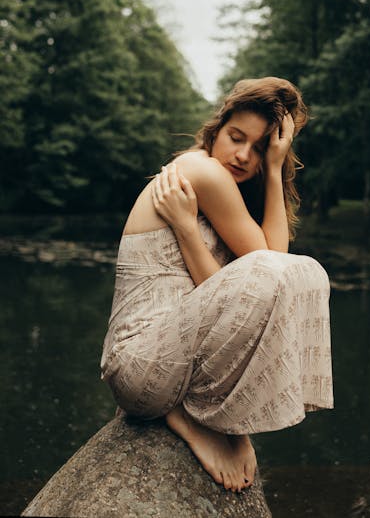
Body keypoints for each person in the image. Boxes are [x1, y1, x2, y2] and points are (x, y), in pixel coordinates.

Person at [100, 77, 334, 493]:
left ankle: (206, 414)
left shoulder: (225, 187)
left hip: (168, 367)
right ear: (217, 127)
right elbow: (267, 267)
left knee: (305, 273)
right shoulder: (202, 170)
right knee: (287, 270)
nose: (243, 155)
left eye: (261, 148)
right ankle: (186, 416)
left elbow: (254, 286)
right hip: (139, 369)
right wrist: (191, 229)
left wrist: (273, 170)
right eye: (236, 137)